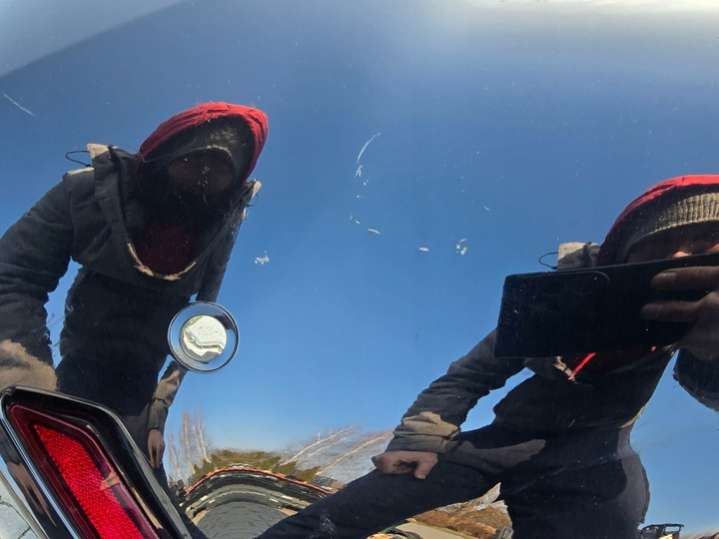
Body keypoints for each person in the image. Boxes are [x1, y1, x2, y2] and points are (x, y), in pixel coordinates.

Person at [259, 175, 719, 539]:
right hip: (503, 437)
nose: (677, 258)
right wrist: (419, 440)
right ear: (621, 259)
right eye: (655, 248)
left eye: (702, 248)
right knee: (327, 521)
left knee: (616, 514)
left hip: (600, 452)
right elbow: (469, 375)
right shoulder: (554, 308)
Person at [0, 101, 268, 481]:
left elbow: (202, 326)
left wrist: (157, 416)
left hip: (141, 387)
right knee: (62, 479)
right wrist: (28, 401)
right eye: (192, 162)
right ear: (162, 156)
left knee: (147, 495)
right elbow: (12, 276)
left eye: (218, 173)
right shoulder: (87, 191)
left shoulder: (218, 231)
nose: (201, 181)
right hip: (79, 368)